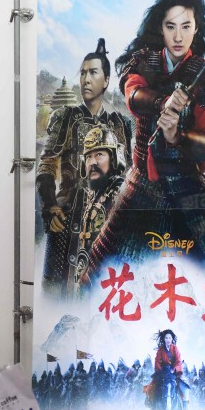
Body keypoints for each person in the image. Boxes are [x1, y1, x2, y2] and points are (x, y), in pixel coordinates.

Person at [83, 0, 205, 280]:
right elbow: (133, 94)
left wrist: (178, 136)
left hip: (188, 188)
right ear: (160, 27)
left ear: (196, 27)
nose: (178, 37)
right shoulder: (143, 61)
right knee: (96, 274)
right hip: (141, 184)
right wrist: (163, 101)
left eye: (186, 27)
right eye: (170, 26)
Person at [36, 38, 133, 295]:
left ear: (107, 79)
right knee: (56, 293)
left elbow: (130, 171)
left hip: (109, 223)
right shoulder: (65, 118)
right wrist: (49, 206)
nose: (86, 80)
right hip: (67, 220)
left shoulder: (120, 124)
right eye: (82, 73)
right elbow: (46, 165)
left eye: (93, 72)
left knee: (106, 291)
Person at [70, 123, 127, 294]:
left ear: (114, 158)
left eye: (99, 155)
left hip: (112, 283)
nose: (92, 162)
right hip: (86, 279)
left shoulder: (123, 193)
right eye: (88, 157)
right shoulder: (90, 195)